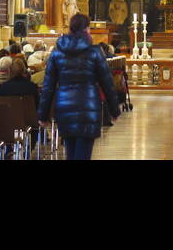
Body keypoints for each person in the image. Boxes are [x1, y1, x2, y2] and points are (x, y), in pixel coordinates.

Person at [39, 13, 120, 160]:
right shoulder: (95, 52)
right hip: (88, 108)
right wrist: (114, 110)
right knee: (84, 154)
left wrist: (43, 115)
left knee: (71, 153)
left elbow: (48, 86)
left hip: (64, 108)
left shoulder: (57, 53)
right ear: (86, 29)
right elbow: (107, 83)